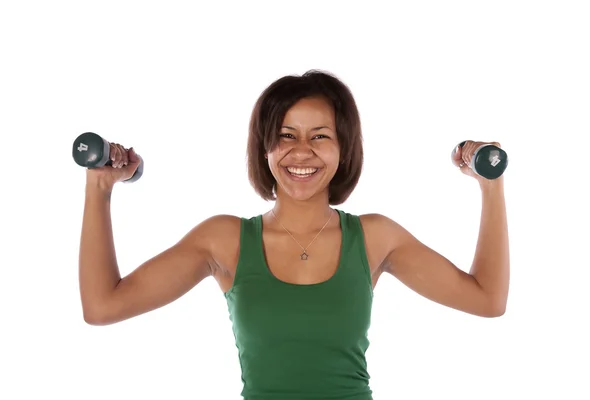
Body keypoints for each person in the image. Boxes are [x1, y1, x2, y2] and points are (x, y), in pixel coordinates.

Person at [78, 70, 510, 400]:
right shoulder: (224, 240)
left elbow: (487, 299)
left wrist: (490, 185)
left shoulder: (375, 237)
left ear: (343, 149)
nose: (301, 151)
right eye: (286, 136)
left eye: (320, 136)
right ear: (264, 147)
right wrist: (99, 189)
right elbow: (102, 306)